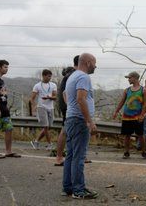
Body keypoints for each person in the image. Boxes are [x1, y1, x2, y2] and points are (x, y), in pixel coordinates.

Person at [62, 53, 98, 199]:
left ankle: (68, 188)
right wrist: (89, 121)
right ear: (88, 62)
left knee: (70, 155)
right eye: (95, 63)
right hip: (79, 121)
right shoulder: (83, 77)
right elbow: (81, 99)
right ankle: (78, 190)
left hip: (71, 119)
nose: (96, 66)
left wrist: (71, 108)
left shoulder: (72, 76)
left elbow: (65, 94)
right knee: (79, 157)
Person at [112, 71, 146, 159]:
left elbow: (145, 104)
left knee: (140, 135)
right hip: (126, 117)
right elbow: (122, 101)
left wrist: (142, 115)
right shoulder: (127, 90)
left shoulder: (144, 90)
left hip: (137, 117)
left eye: (129, 78)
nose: (128, 79)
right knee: (127, 135)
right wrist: (116, 111)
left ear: (135, 78)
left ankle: (144, 152)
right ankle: (126, 152)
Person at [55, 56, 78, 166]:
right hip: (69, 107)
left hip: (67, 106)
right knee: (65, 131)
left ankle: (70, 156)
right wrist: (70, 106)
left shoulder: (70, 74)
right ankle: (59, 157)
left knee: (68, 131)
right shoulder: (72, 75)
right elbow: (66, 93)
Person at [30, 69, 58, 150]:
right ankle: (50, 144)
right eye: (48, 76)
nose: (50, 78)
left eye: (50, 76)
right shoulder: (37, 85)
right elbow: (32, 98)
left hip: (51, 107)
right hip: (41, 107)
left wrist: (49, 97)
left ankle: (36, 141)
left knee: (48, 127)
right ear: (44, 76)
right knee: (45, 127)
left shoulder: (53, 85)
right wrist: (34, 106)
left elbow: (55, 97)